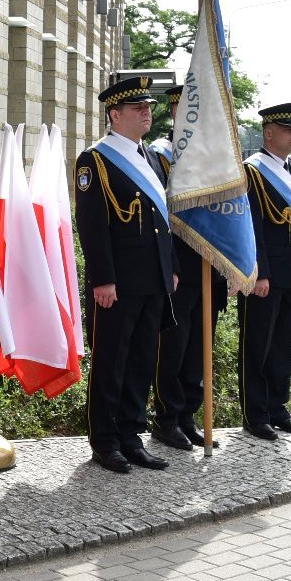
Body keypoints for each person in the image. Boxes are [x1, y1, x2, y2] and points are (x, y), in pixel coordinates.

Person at [75, 76, 178, 474]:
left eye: (148, 107)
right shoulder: (95, 160)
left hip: (153, 277)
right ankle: (104, 441)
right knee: (111, 361)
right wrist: (103, 278)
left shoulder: (151, 157)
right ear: (115, 114)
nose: (146, 113)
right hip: (116, 282)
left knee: (140, 359)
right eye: (138, 108)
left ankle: (131, 436)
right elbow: (93, 224)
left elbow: (163, 220)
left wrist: (171, 269)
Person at [147, 86, 228, 451]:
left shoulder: (216, 159)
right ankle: (166, 417)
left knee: (199, 349)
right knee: (174, 349)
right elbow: (161, 219)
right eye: (187, 107)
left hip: (209, 266)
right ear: (176, 111)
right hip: (179, 268)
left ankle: (189, 415)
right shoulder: (161, 157)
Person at [240, 102, 291, 440]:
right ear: (269, 133)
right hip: (266, 277)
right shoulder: (252, 171)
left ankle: (277, 408)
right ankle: (255, 414)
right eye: (290, 129)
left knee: (284, 344)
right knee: (259, 345)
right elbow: (250, 226)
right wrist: (260, 273)